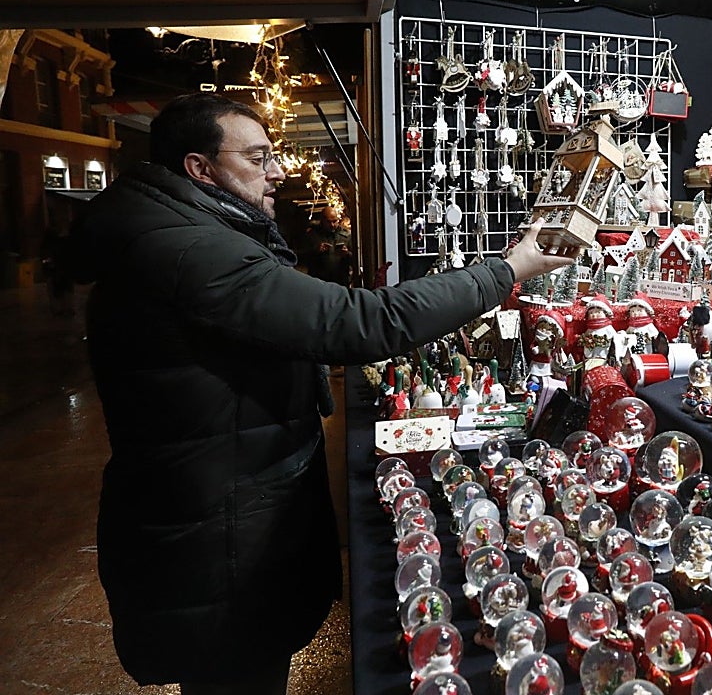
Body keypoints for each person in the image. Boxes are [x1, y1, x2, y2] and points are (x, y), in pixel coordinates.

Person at [67, 92, 572, 694]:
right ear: (200, 168)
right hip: (218, 533)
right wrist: (507, 270)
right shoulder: (190, 251)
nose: (277, 172)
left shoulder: (177, 232)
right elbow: (360, 322)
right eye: (258, 158)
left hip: (215, 509)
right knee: (237, 678)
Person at [302, 204, 354, 286]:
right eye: (329, 222)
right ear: (322, 221)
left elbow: (356, 260)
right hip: (320, 282)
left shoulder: (346, 235)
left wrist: (347, 254)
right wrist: (317, 251)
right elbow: (303, 258)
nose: (332, 225)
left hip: (340, 282)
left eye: (334, 221)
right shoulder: (313, 235)